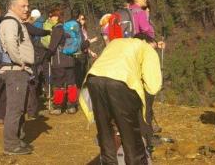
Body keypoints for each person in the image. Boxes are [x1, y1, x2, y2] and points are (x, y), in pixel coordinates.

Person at [80, 33, 162, 165]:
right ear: (146, 41)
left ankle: (108, 162)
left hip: (94, 80)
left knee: (105, 131)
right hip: (120, 83)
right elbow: (153, 86)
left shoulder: (116, 42)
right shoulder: (146, 48)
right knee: (130, 135)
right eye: (154, 47)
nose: (154, 50)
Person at [0, 0, 35, 155]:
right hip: (16, 71)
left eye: (27, 6)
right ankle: (11, 144)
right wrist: (20, 62)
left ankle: (17, 140)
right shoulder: (10, 22)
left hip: (19, 70)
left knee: (19, 107)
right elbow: (11, 43)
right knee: (15, 108)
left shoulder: (15, 21)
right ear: (13, 7)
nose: (27, 9)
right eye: (23, 6)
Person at [47, 10, 85, 115]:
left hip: (59, 61)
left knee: (58, 84)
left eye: (52, 16)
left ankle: (58, 107)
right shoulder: (67, 28)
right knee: (71, 83)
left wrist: (47, 56)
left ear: (57, 17)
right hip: (71, 60)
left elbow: (52, 46)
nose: (50, 18)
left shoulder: (57, 29)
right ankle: (72, 105)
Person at [75, 13, 98, 87]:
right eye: (81, 19)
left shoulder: (84, 30)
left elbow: (85, 45)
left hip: (85, 54)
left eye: (84, 19)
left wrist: (91, 53)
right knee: (80, 75)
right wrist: (92, 40)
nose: (83, 21)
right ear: (77, 19)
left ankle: (84, 89)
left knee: (85, 73)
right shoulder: (77, 30)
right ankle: (80, 91)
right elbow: (81, 44)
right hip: (79, 54)